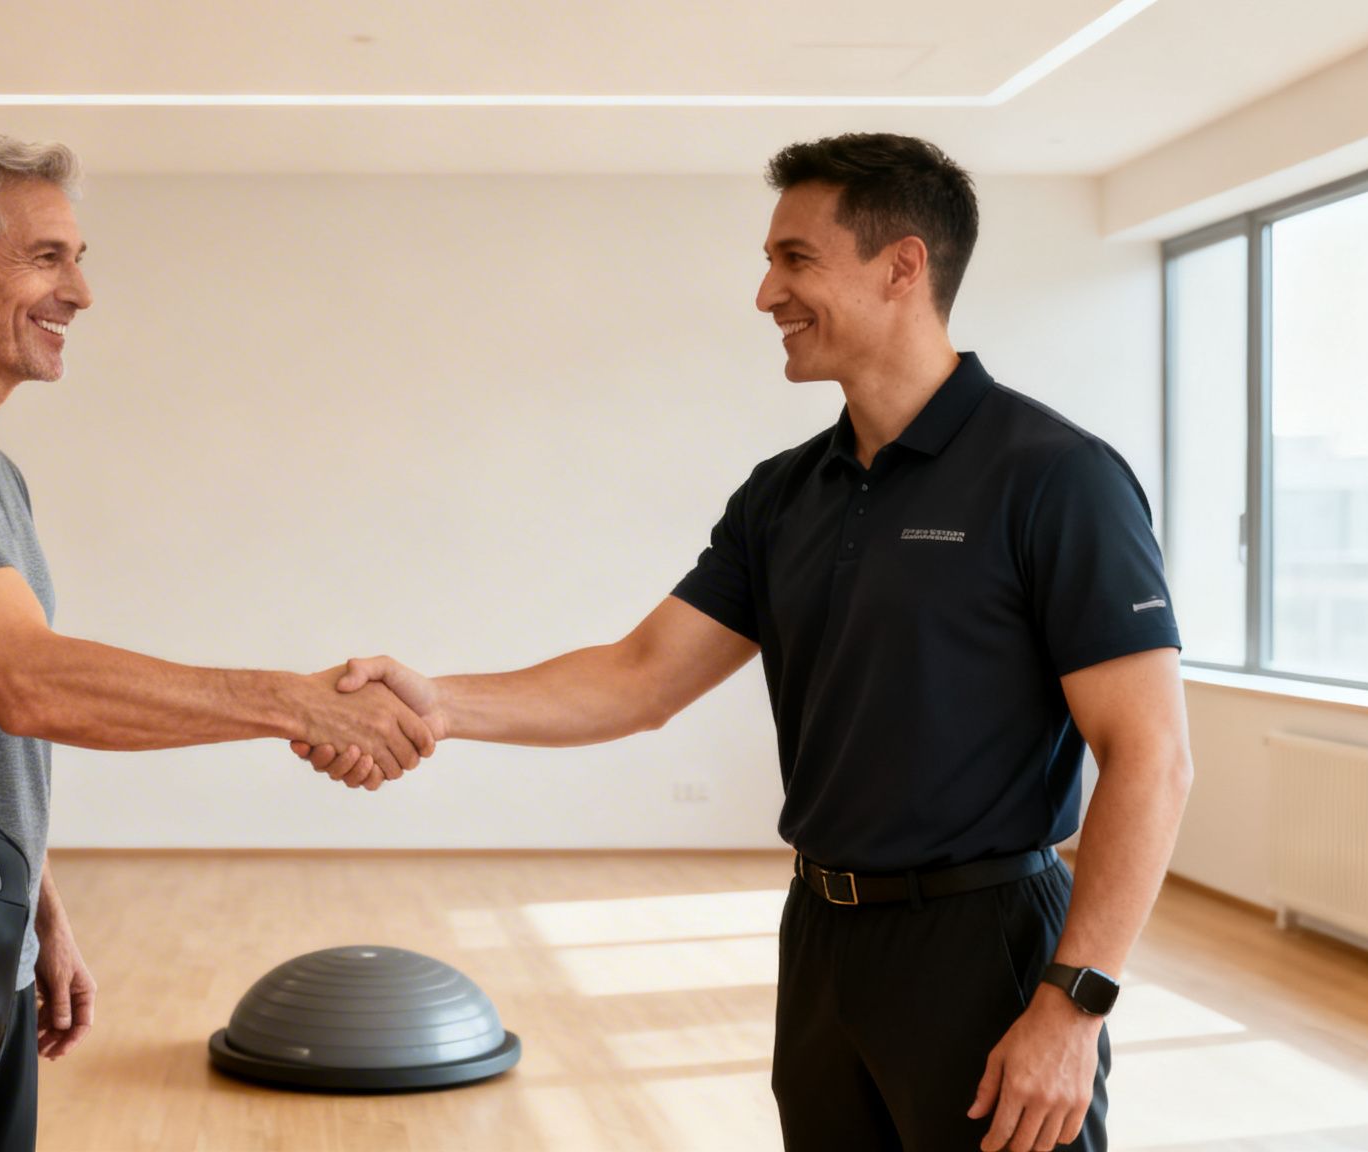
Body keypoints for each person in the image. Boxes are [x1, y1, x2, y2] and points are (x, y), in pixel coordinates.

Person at [298, 133, 1193, 1151]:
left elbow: (1149, 757)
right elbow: (638, 678)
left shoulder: (1053, 477)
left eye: (794, 259)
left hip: (983, 943)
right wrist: (439, 704)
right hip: (821, 937)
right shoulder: (782, 495)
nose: (764, 294)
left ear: (902, 265)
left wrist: (1071, 1004)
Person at [0, 133, 434, 1152]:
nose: (80, 292)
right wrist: (297, 701)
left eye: (79, 258)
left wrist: (39, 909)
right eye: (47, 257)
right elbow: (28, 683)